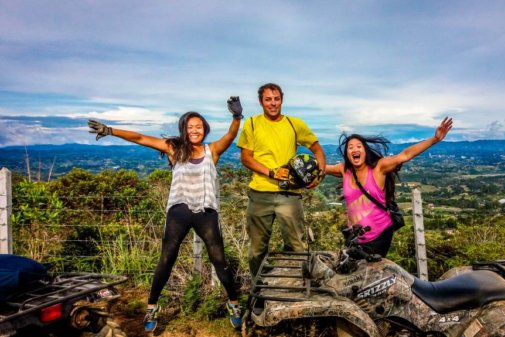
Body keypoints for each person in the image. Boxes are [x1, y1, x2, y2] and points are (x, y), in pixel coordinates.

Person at [87, 97, 245, 332]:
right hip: (179, 210)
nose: (194, 130)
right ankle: (151, 306)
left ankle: (233, 303)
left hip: (206, 211)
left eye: (198, 127)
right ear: (184, 129)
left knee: (218, 259)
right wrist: (110, 130)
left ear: (205, 129)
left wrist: (236, 117)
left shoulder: (212, 151)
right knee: (166, 258)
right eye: (190, 127)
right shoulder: (174, 148)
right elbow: (141, 138)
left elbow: (231, 136)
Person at [325, 117, 453, 257]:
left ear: (365, 151)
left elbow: (405, 155)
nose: (354, 149)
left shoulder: (378, 168)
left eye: (359, 146)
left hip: (379, 235)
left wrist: (435, 139)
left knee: (368, 273)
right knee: (353, 272)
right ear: (347, 154)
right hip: (354, 237)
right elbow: (321, 167)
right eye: (350, 147)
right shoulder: (344, 170)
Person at [237, 83, 326, 278]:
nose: (273, 103)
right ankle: (258, 294)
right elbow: (246, 158)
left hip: (290, 194)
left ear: (282, 100)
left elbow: (317, 149)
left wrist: (319, 173)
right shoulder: (252, 123)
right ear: (261, 101)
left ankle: (297, 287)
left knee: (297, 246)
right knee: (257, 250)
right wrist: (271, 173)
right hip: (260, 194)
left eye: (276, 99)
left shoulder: (295, 124)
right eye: (268, 99)